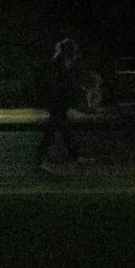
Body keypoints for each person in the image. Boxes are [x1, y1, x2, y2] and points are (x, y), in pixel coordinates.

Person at [36, 38, 82, 173]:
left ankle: (44, 154)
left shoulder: (61, 61)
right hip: (57, 100)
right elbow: (56, 83)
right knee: (57, 128)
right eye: (73, 50)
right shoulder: (59, 63)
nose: (75, 53)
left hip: (58, 100)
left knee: (59, 127)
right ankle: (71, 153)